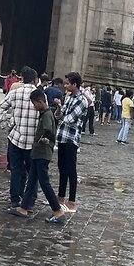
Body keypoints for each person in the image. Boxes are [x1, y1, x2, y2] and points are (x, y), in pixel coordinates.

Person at [9, 88, 67, 223]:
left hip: (42, 153)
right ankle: (23, 208)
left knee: (44, 183)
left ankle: (58, 212)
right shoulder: (46, 113)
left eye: (34, 103)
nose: (34, 106)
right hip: (37, 153)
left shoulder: (47, 114)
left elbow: (48, 131)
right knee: (32, 180)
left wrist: (44, 139)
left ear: (40, 102)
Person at [0, 66, 40, 212]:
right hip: (32, 140)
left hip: (15, 138)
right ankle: (29, 201)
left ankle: (15, 200)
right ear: (35, 80)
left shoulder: (15, 93)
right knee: (32, 172)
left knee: (16, 170)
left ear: (22, 79)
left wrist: (7, 126)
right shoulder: (40, 95)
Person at [55, 71, 89, 214]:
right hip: (62, 136)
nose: (65, 85)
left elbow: (71, 118)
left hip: (72, 138)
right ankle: (61, 197)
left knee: (71, 169)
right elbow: (60, 115)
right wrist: (58, 107)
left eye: (68, 83)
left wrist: (61, 114)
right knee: (61, 166)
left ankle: (72, 200)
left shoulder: (82, 100)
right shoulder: (68, 97)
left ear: (75, 84)